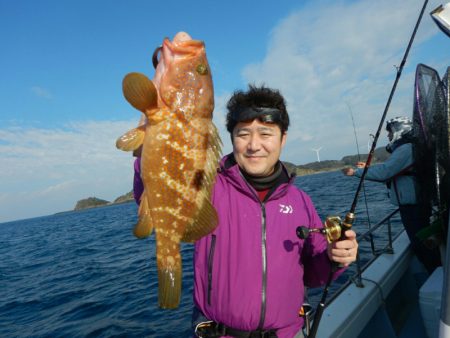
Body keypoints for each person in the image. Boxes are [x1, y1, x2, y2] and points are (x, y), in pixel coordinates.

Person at [134, 85, 358, 338]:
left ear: (282, 138)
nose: (254, 145)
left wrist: (335, 257)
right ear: (231, 138)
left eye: (265, 133)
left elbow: (316, 275)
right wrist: (150, 144)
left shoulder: (301, 201)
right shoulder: (206, 187)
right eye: (243, 134)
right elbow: (156, 191)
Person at [342, 116, 441, 274]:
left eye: (390, 132)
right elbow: (394, 169)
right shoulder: (411, 148)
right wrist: (369, 168)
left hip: (414, 208)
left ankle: (436, 274)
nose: (388, 136)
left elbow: (385, 172)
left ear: (400, 129)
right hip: (417, 205)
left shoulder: (406, 149)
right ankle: (435, 271)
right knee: (422, 244)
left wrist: (355, 172)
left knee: (422, 246)